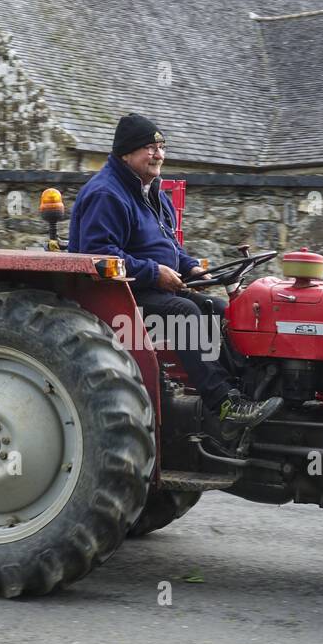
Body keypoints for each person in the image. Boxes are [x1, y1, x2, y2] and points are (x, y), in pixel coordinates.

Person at [68, 113, 281, 434]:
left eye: (161, 146)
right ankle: (223, 401)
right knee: (186, 313)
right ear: (125, 153)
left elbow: (169, 247)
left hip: (150, 287)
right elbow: (99, 257)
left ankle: (246, 390)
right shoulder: (106, 195)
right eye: (149, 148)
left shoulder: (151, 191)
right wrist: (154, 272)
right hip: (117, 295)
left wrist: (190, 265)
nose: (158, 154)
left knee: (220, 309)